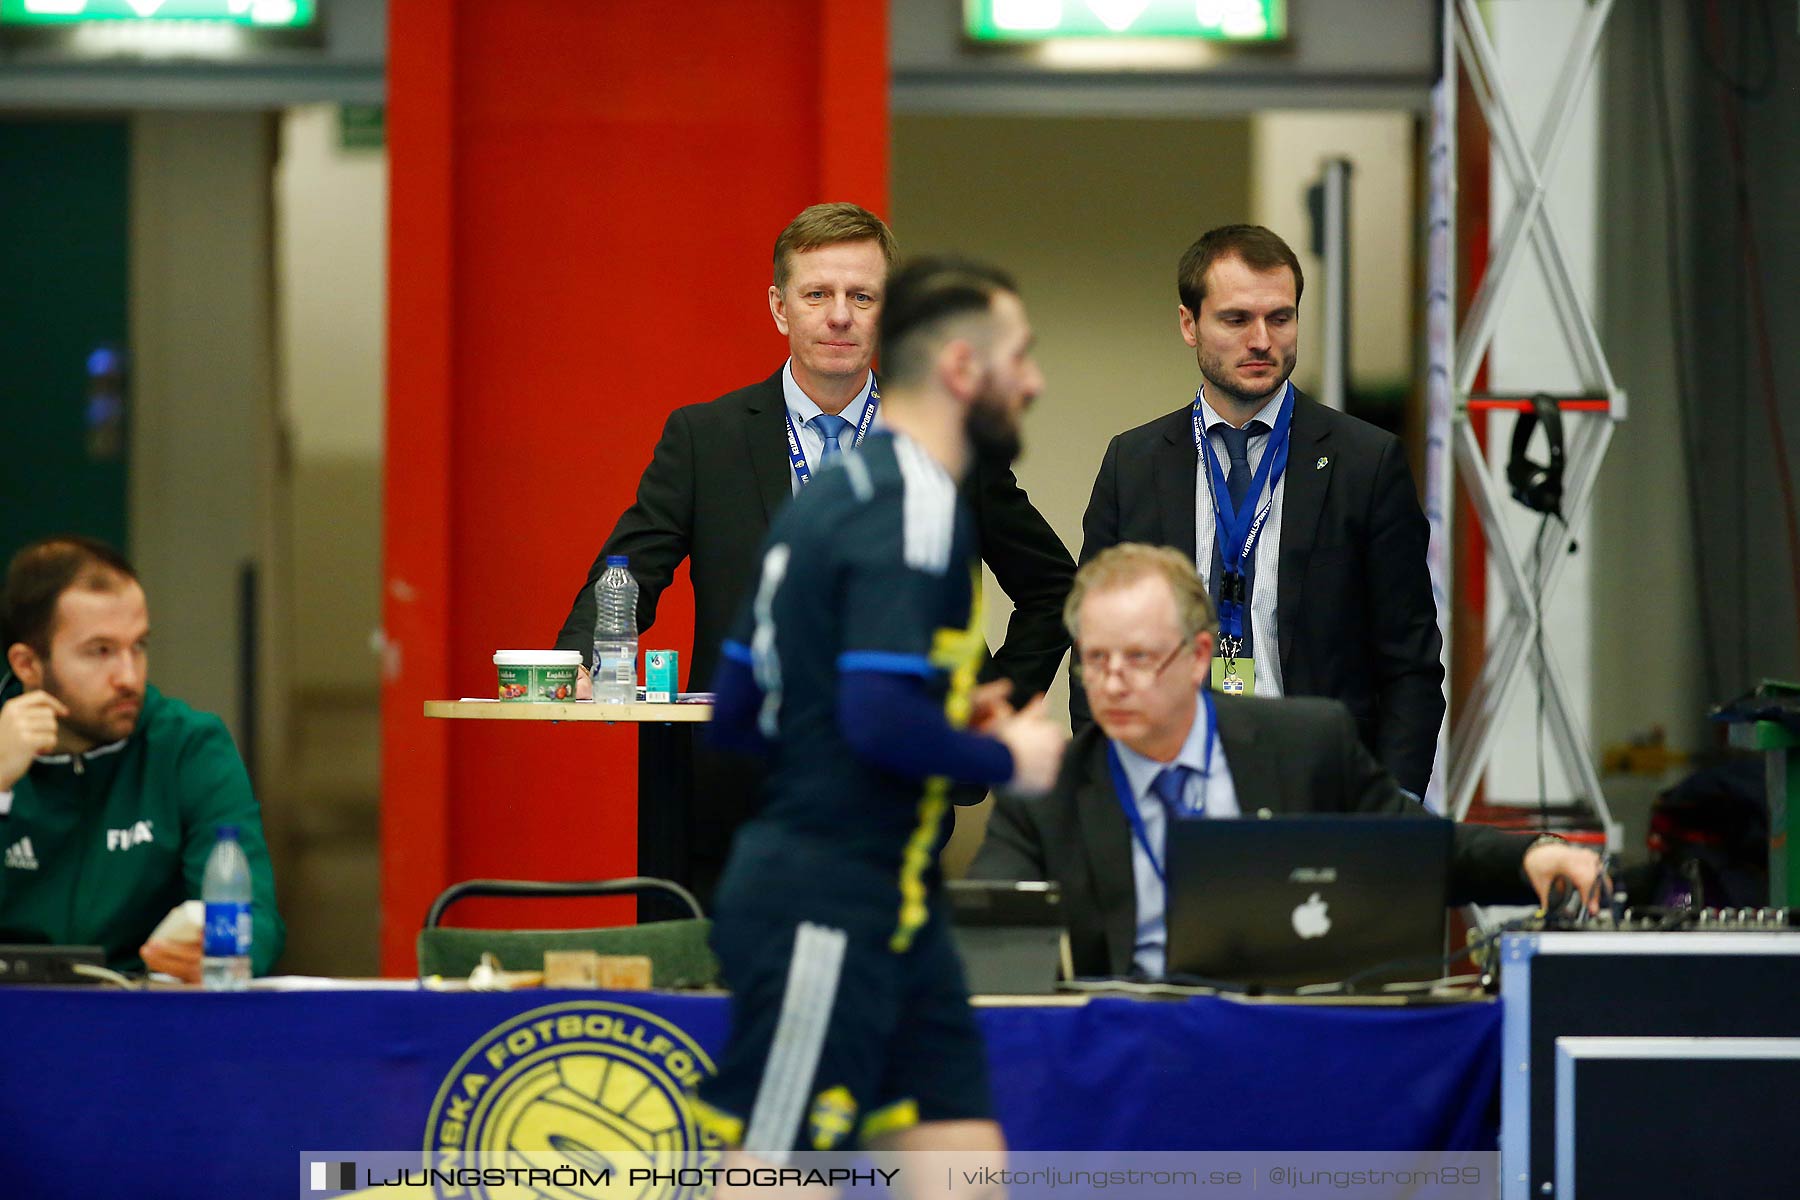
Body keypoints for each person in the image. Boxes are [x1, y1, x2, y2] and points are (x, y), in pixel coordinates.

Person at [554, 203, 1074, 905]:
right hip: (734, 797)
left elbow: (1052, 587)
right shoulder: (707, 438)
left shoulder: (947, 446)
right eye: (817, 295)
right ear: (780, 309)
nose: (839, 316)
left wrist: (992, 704)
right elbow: (630, 570)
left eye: (863, 297)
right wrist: (581, 658)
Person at [692, 259, 1067, 1165]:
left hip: (899, 910)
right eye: (1019, 355)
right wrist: (1007, 759)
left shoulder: (828, 496)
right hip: (827, 905)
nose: (1035, 380)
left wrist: (936, 711)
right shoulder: (917, 503)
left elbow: (741, 713)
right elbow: (874, 722)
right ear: (960, 372)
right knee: (775, 1172)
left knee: (964, 1164)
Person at [973, 543, 1603, 980]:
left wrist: (1530, 857)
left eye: (1137, 659)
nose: (1109, 684)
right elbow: (986, 919)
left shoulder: (1304, 745)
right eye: (1095, 659)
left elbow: (1413, 849)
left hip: (1284, 1032)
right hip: (1129, 1052)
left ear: (1197, 658)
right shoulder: (1049, 789)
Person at [1079, 224, 1443, 796]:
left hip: (1322, 786)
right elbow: (1095, 645)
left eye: (1281, 317)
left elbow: (1411, 665)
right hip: (1170, 781)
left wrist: (1390, 809)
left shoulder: (1364, 463)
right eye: (1236, 319)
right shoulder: (1136, 463)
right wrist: (1103, 792)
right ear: (1188, 324)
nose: (1262, 340)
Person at [0, 536, 283, 980]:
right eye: (101, 651)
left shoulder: (188, 746)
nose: (129, 676)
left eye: (139, 646)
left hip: (147, 1017)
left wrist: (227, 950)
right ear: (27, 665)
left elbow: (257, 918)